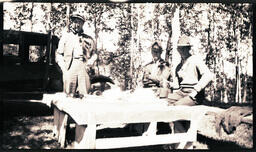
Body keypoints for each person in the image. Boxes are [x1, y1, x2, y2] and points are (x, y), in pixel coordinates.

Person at [144, 35, 214, 149]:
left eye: (185, 48)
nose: (183, 50)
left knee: (176, 108)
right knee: (162, 103)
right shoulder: (178, 66)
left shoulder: (195, 60)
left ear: (189, 48)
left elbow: (208, 75)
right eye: (180, 48)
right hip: (181, 93)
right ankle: (177, 139)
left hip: (194, 95)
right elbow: (177, 86)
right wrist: (166, 82)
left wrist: (196, 90)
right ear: (177, 49)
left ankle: (183, 142)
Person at [55, 12, 97, 99]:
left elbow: (94, 54)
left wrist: (90, 63)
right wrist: (64, 68)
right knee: (69, 94)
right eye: (75, 21)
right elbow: (59, 54)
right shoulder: (65, 37)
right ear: (71, 23)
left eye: (80, 22)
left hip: (84, 66)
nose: (77, 24)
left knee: (85, 94)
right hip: (70, 66)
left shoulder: (89, 39)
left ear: (83, 24)